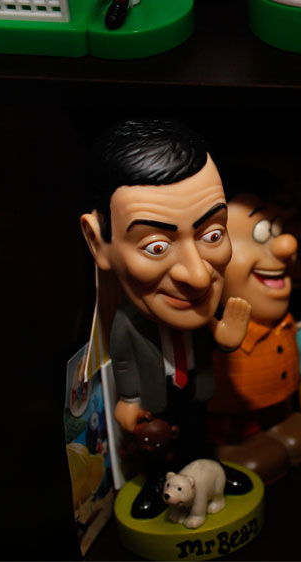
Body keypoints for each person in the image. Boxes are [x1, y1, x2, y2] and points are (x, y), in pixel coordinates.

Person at [80, 118, 252, 517]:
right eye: (156, 246)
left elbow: (211, 337)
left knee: (196, 430)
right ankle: (160, 481)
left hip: (197, 389)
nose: (197, 276)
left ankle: (208, 470)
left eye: (212, 235)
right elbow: (125, 361)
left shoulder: (204, 310)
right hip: (154, 399)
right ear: (98, 242)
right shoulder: (129, 322)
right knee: (159, 443)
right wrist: (129, 399)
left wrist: (224, 338)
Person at [208, 193, 301, 482]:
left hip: (282, 404)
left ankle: (278, 421)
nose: (285, 245)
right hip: (236, 419)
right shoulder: (213, 327)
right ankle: (236, 440)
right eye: (260, 234)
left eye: (278, 230)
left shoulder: (287, 320)